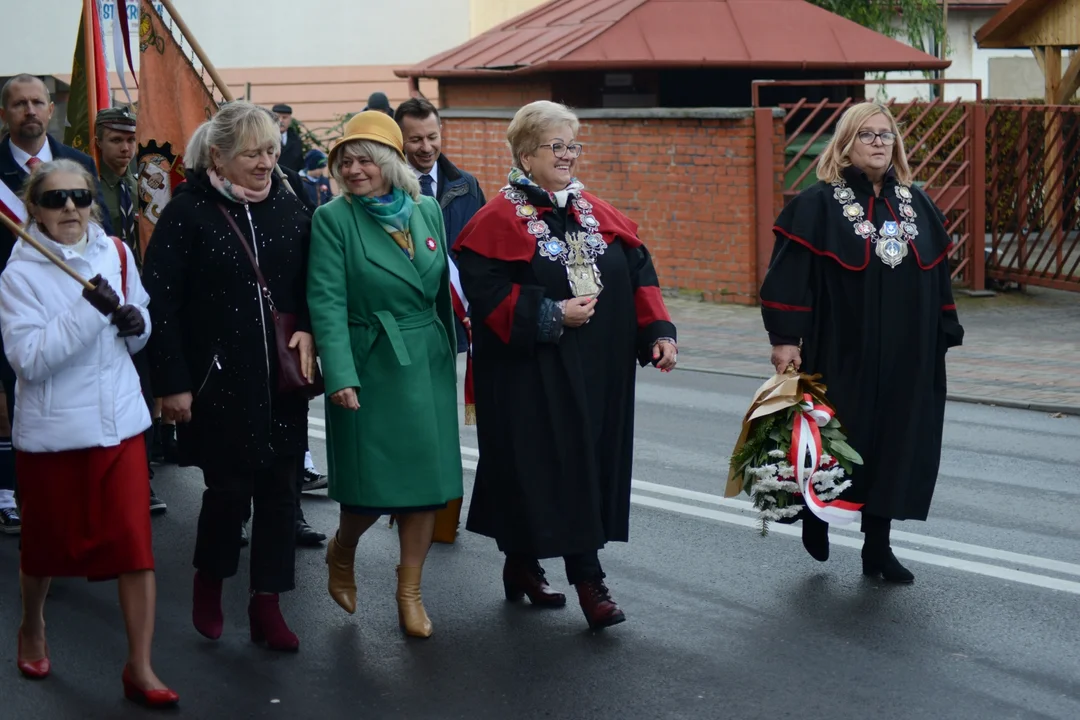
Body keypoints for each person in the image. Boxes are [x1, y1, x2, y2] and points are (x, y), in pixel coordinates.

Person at [454, 101, 678, 630]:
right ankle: (587, 580)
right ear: (526, 155)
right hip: (531, 374)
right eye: (557, 146)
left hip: (599, 373)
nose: (568, 156)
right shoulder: (495, 220)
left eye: (572, 145)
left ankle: (521, 564)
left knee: (585, 469)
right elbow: (483, 294)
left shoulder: (597, 212)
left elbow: (639, 271)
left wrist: (658, 332)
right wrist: (550, 314)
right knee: (540, 471)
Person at [761, 102, 964, 584]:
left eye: (886, 135)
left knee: (897, 444)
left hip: (908, 353)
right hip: (841, 349)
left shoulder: (918, 203)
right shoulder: (816, 205)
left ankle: (878, 547)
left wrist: (942, 330)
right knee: (839, 439)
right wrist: (786, 339)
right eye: (867, 135)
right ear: (846, 143)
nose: (879, 143)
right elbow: (790, 276)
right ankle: (817, 513)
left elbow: (938, 278)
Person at [1, 159, 177, 706]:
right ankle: (32, 624)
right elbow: (29, 361)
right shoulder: (19, 275)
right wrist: (89, 310)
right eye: (55, 200)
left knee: (134, 548)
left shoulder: (118, 253)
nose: (71, 208)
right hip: (55, 435)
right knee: (45, 549)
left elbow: (141, 321)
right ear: (35, 210)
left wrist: (134, 323)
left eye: (79, 196)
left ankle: (140, 667)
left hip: (120, 426)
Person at [142, 101, 315, 651]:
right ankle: (210, 581)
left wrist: (309, 329)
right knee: (228, 494)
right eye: (252, 153)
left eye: (271, 150)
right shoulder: (187, 212)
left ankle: (268, 602)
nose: (267, 162)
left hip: (283, 381)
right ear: (218, 155)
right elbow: (159, 304)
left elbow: (318, 284)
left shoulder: (292, 205)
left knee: (283, 496)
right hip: (218, 384)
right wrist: (171, 381)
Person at [308, 111, 462, 638]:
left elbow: (439, 293)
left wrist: (452, 358)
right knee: (372, 489)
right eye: (344, 161)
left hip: (426, 359)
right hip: (370, 359)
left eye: (365, 160)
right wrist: (340, 375)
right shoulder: (333, 219)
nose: (354, 170)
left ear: (391, 164)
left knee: (426, 485)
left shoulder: (425, 211)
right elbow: (326, 301)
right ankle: (342, 550)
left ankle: (410, 591)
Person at [0, 74, 114, 534]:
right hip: (12, 302)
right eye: (18, 103)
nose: (29, 110)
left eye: (37, 102)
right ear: (5, 113)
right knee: (16, 405)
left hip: (74, 304)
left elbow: (99, 231)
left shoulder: (78, 162)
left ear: (51, 110)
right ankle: (22, 497)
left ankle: (82, 501)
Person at [394, 96, 486, 544]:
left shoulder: (465, 186)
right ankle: (409, 504)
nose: (426, 147)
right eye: (415, 139)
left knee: (449, 423)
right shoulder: (386, 190)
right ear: (399, 140)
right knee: (418, 417)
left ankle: (445, 514)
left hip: (463, 320)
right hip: (413, 322)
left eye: (432, 137)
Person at [95, 106, 167, 514]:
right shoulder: (89, 187)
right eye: (116, 140)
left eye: (129, 140)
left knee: (143, 391)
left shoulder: (140, 187)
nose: (125, 148)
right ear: (98, 142)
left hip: (137, 301)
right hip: (101, 301)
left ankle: (142, 477)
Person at [273, 103, 304, 173]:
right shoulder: (266, 138)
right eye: (277, 117)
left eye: (284, 117)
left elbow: (299, 163)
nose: (281, 121)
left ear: (290, 120)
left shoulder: (296, 139)